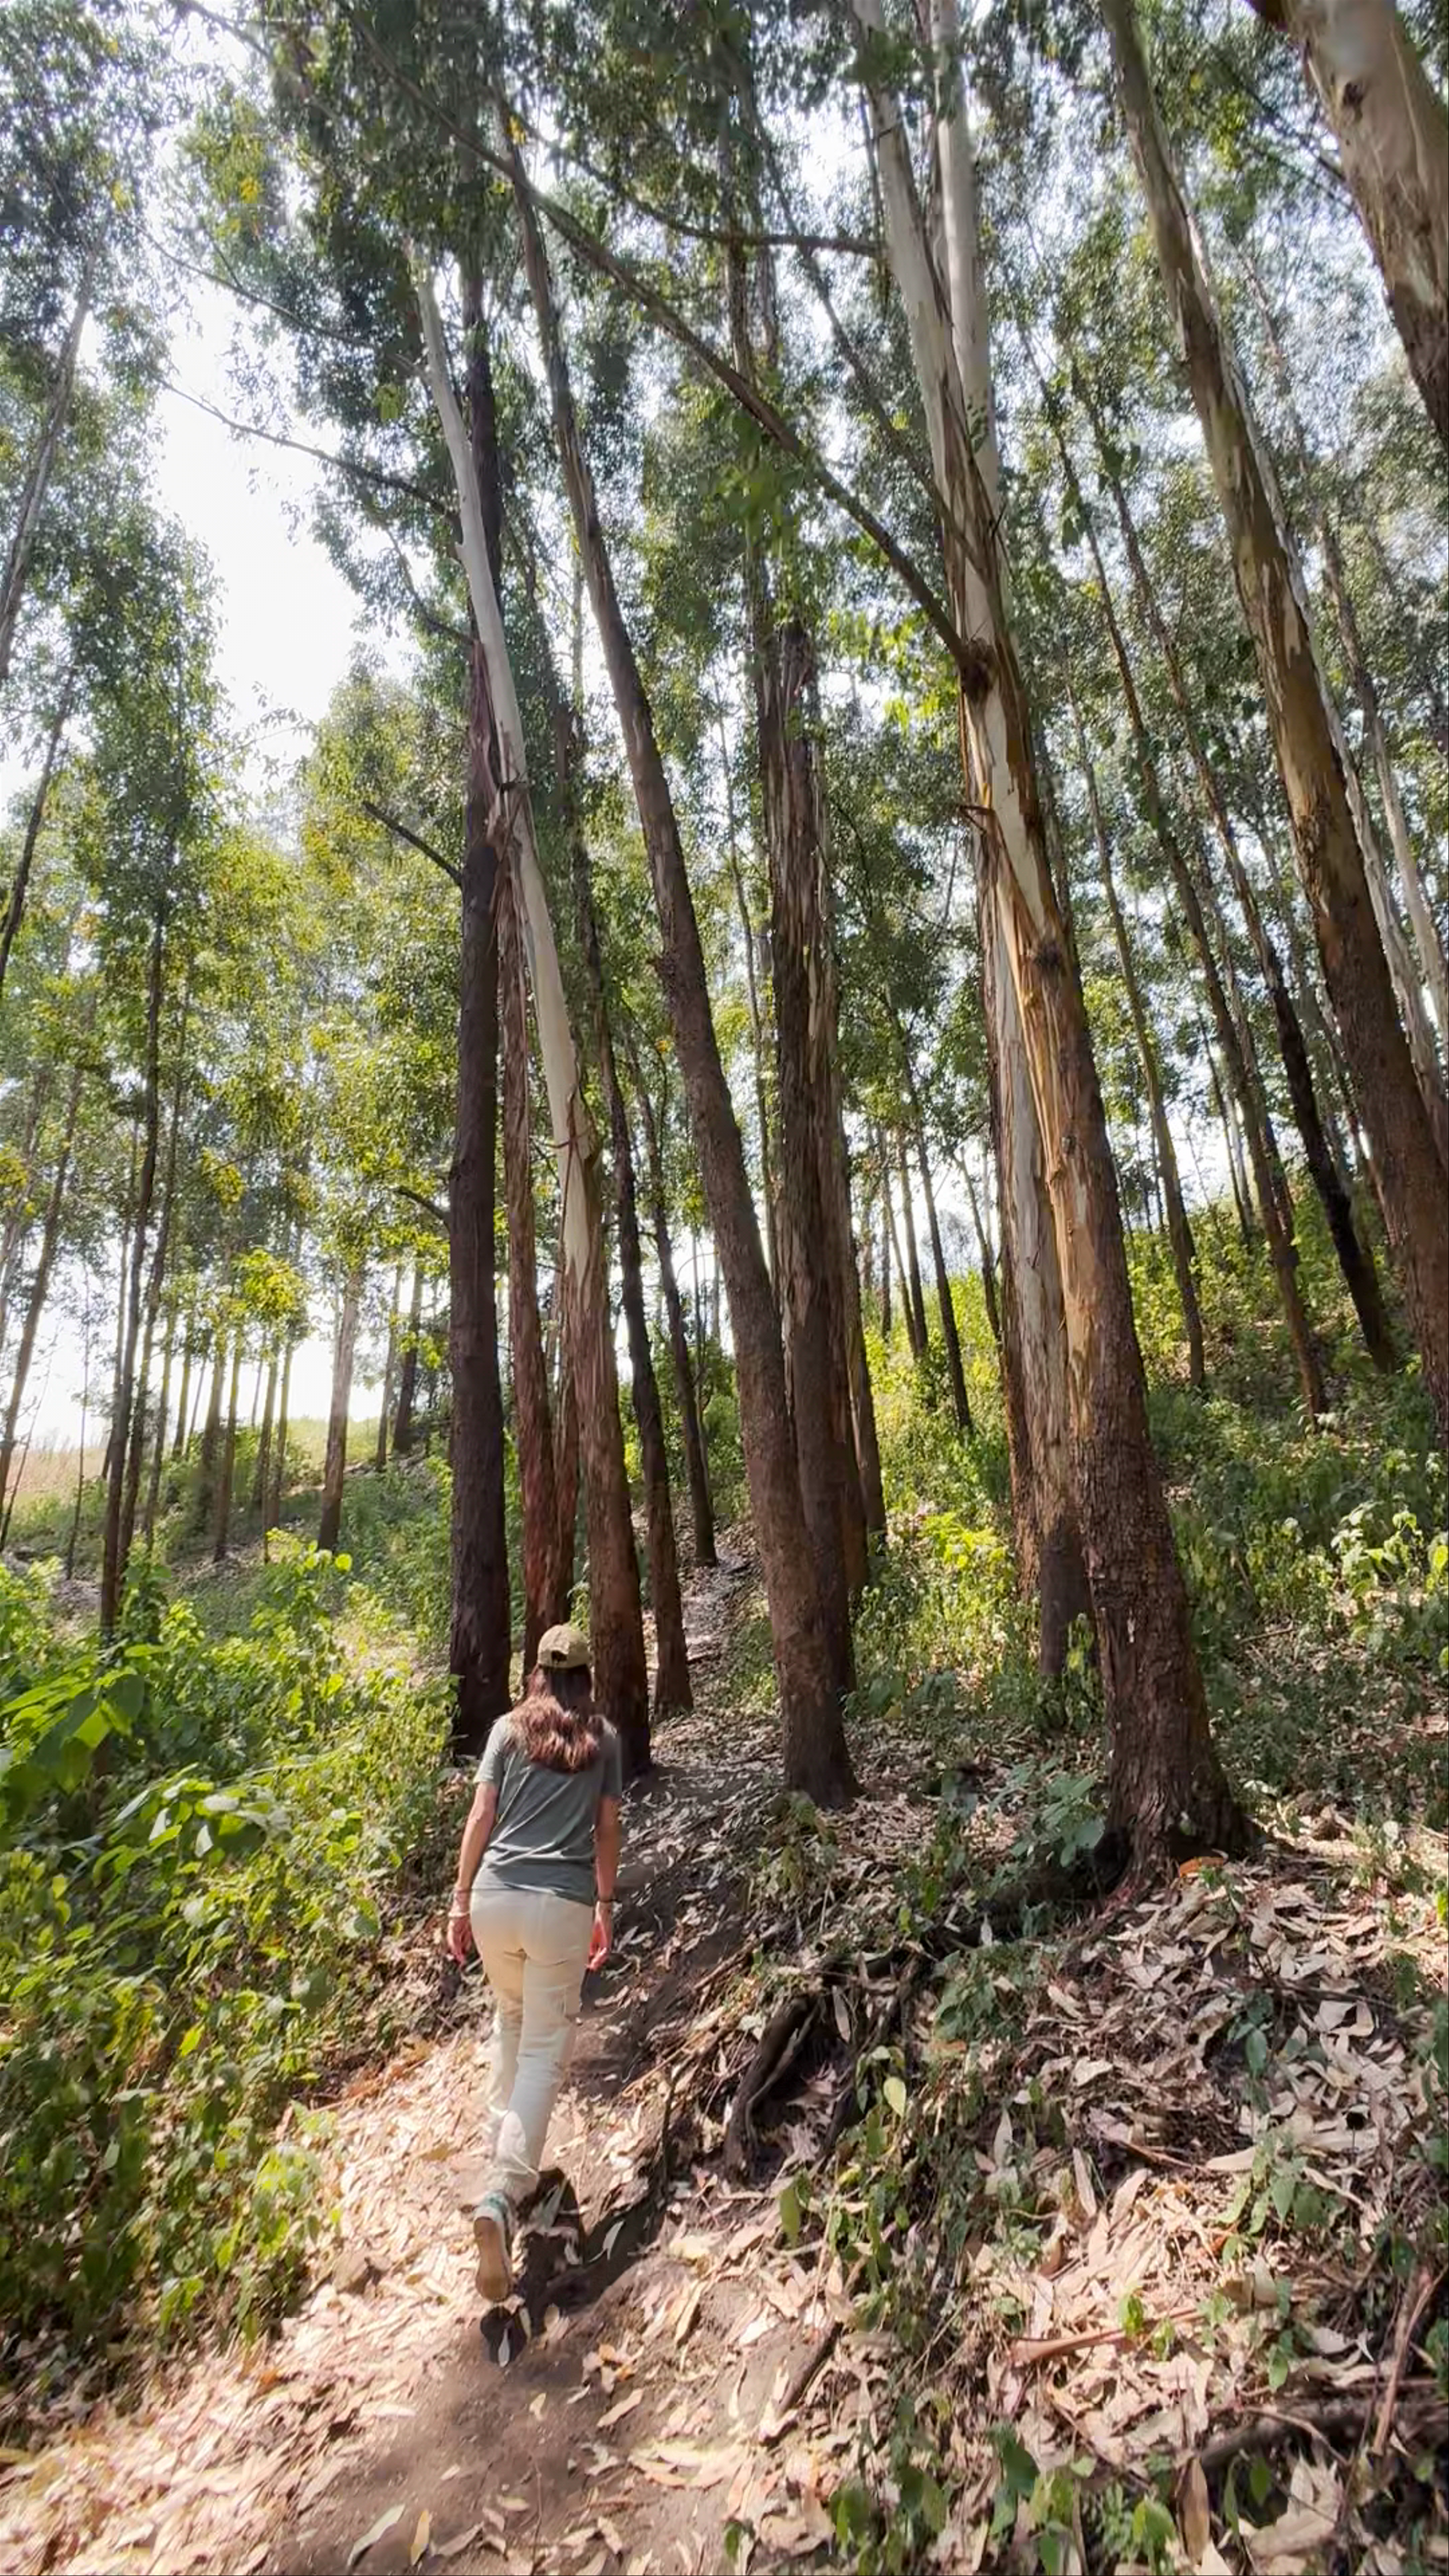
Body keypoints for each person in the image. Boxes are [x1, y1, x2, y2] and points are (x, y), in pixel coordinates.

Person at [446, 1622, 623, 2303]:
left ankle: (503, 2155)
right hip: (560, 1906)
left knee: (512, 2018)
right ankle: (503, 2190)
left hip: (495, 1898)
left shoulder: (506, 1731)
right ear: (586, 1675)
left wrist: (460, 1900)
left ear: (539, 1675)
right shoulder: (603, 1739)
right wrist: (606, 1904)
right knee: (545, 2047)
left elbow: (480, 1815)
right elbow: (606, 1829)